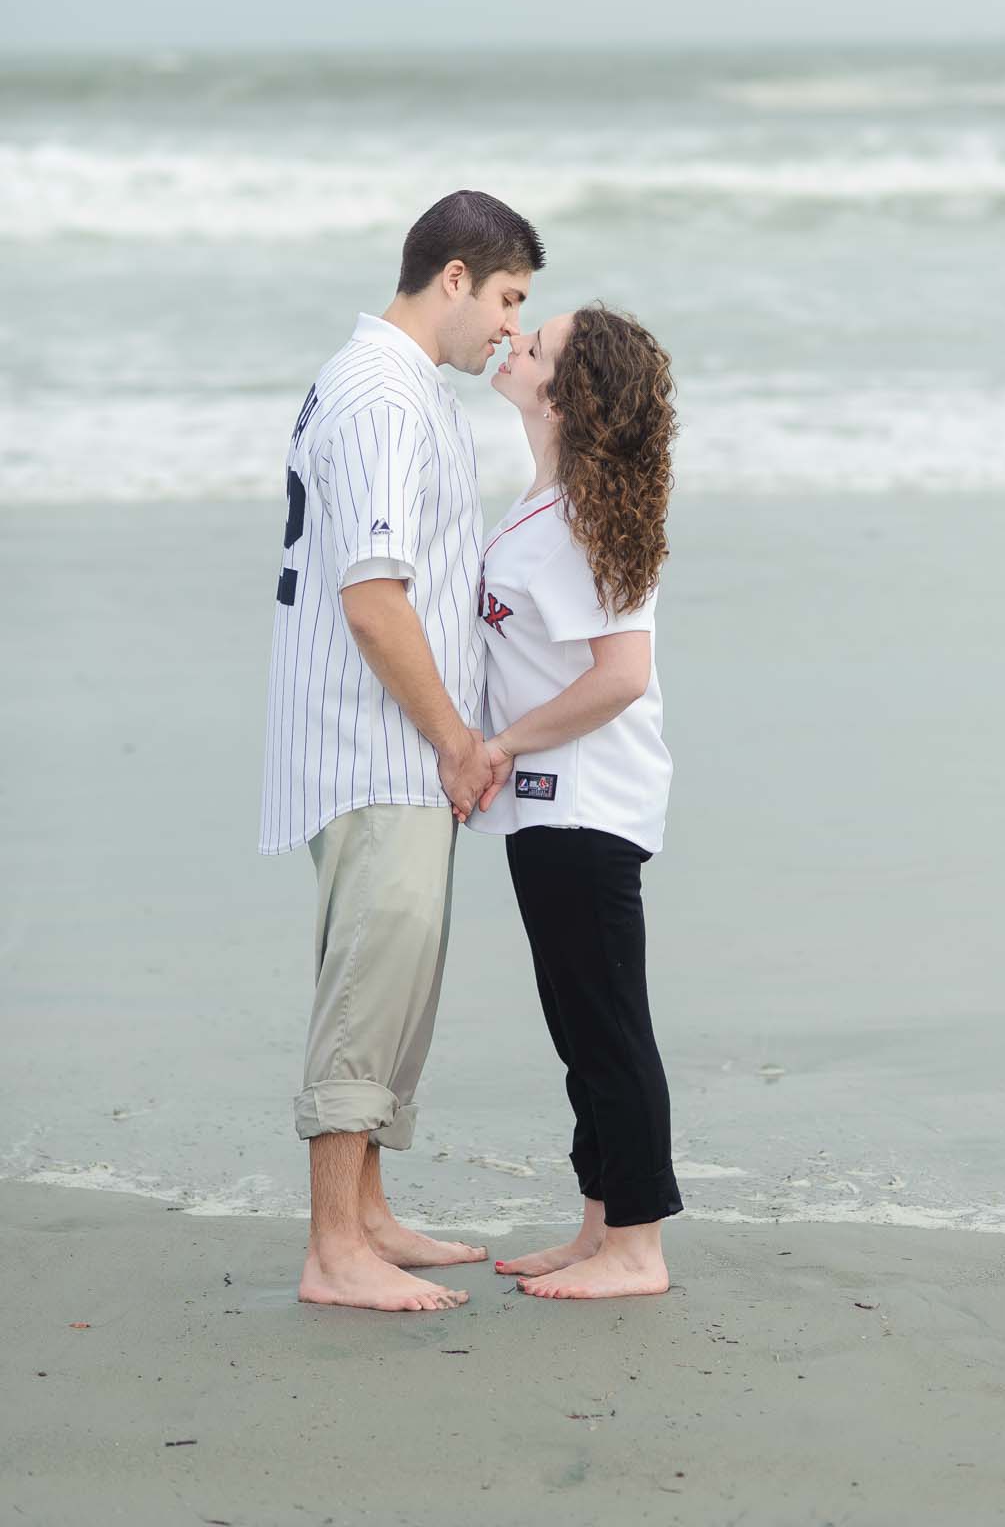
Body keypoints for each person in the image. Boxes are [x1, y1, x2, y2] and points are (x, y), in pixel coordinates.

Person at [259, 188, 544, 1313]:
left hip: (387, 738)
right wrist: (454, 734)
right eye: (510, 299)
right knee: (371, 976)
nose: (513, 332)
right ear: (457, 277)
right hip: (376, 737)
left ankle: (368, 1213)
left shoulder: (393, 379)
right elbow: (375, 598)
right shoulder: (381, 391)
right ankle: (334, 1245)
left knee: (397, 972)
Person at [469, 304, 683, 1300]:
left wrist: (501, 744)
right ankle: (599, 1224)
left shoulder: (588, 520)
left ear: (567, 393)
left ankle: (638, 1246)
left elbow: (621, 674)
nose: (514, 346)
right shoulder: (546, 502)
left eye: (536, 344)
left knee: (605, 1025)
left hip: (583, 802)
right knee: (577, 1025)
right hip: (544, 805)